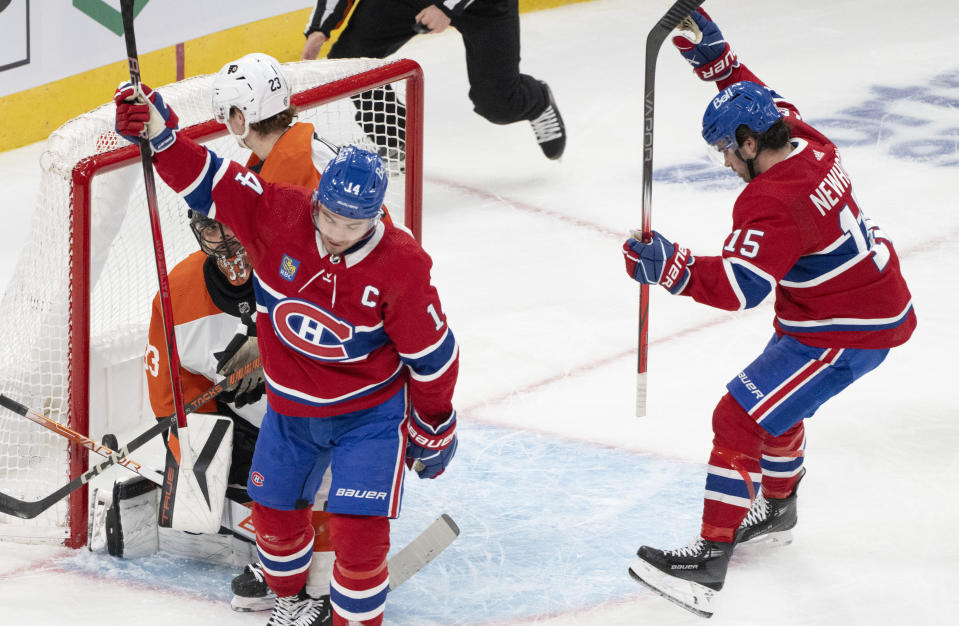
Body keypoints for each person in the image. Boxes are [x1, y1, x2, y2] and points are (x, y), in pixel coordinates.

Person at [114, 74, 460, 626]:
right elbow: (210, 179)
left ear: (375, 216)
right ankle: (289, 599)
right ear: (315, 201)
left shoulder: (401, 264)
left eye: (353, 224)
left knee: (360, 534)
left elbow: (434, 356)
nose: (337, 233)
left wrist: (434, 424)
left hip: (366, 416)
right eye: (328, 217)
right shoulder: (280, 213)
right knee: (272, 521)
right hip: (291, 411)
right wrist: (159, 134)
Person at [622, 9, 916, 617]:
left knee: (737, 417)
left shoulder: (774, 202)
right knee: (776, 407)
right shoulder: (806, 140)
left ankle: (708, 560)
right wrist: (717, 61)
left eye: (728, 151)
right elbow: (758, 96)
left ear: (753, 144)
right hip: (842, 308)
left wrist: (667, 265)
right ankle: (777, 509)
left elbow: (738, 288)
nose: (727, 163)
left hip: (845, 328)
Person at [301, 0, 566, 161]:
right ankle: (394, 140)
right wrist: (319, 28)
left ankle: (538, 101)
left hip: (484, 5)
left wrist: (446, 6)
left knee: (497, 104)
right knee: (352, 62)